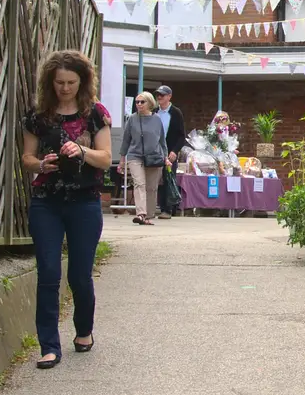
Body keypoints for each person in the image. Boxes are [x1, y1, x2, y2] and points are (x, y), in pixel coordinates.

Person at [21, 50, 112, 369]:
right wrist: (40, 163)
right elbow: (27, 159)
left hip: (85, 202)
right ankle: (48, 345)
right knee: (47, 272)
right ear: (50, 82)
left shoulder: (95, 114)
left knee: (79, 275)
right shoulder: (38, 115)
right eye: (59, 82)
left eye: (71, 82)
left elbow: (105, 158)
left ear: (83, 81)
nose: (65, 88)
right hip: (46, 201)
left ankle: (83, 330)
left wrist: (82, 149)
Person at [119, 91, 166, 225]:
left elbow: (162, 141)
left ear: (150, 103)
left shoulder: (156, 120)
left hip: (154, 157)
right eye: (137, 102)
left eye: (142, 102)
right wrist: (122, 159)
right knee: (139, 184)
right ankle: (141, 214)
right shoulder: (132, 119)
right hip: (135, 156)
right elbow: (126, 140)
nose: (139, 104)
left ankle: (149, 216)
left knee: (151, 187)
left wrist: (165, 157)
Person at [154, 86, 185, 219]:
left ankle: (167, 209)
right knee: (155, 180)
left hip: (169, 152)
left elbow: (181, 136)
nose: (159, 97)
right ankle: (157, 207)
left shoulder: (176, 113)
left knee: (168, 179)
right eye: (158, 95)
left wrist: (175, 151)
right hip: (155, 151)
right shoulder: (154, 112)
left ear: (169, 96)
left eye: (162, 95)